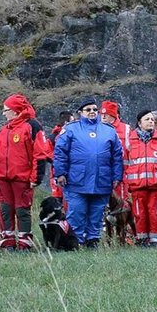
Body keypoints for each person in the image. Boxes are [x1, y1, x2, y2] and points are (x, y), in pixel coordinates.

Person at [52, 97, 124, 248]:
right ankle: (75, 241)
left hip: (102, 180)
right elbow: (60, 152)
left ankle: (93, 240)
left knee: (97, 213)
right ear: (80, 113)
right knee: (77, 212)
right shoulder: (71, 129)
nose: (92, 112)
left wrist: (117, 176)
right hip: (76, 180)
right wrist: (60, 173)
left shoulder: (109, 130)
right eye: (88, 110)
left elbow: (117, 155)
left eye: (94, 109)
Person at [0, 94, 41, 249]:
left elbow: (39, 154)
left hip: (22, 178)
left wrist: (36, 177)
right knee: (5, 210)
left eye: (6, 110)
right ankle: (8, 242)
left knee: (22, 210)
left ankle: (25, 243)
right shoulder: (3, 130)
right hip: (2, 178)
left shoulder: (31, 126)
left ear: (16, 111)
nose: (4, 113)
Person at [123, 110, 157, 245]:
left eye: (152, 119)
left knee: (156, 212)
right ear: (139, 123)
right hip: (137, 185)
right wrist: (128, 183)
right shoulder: (130, 141)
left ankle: (156, 239)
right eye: (147, 119)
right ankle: (142, 239)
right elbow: (125, 164)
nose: (151, 121)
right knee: (139, 213)